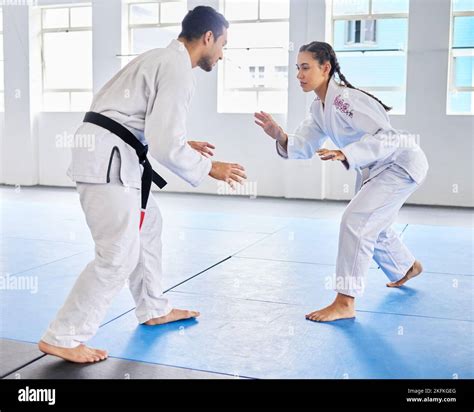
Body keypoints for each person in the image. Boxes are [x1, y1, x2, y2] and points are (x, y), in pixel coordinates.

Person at [39, 6, 246, 363]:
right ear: (208, 37)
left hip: (115, 155)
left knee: (149, 227)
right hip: (109, 159)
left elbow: (147, 125)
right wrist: (210, 166)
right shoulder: (178, 69)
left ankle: (153, 307)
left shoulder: (159, 59)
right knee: (117, 254)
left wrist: (182, 143)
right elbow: (165, 143)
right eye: (223, 45)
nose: (222, 54)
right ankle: (63, 335)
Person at [254, 41, 428, 322]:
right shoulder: (319, 108)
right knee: (374, 224)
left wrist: (345, 152)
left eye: (306, 67)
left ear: (326, 68)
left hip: (399, 164)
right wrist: (280, 135)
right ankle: (406, 266)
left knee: (356, 221)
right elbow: (304, 144)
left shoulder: (346, 100)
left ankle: (345, 301)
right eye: (298, 68)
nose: (299, 74)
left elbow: (388, 137)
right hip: (376, 168)